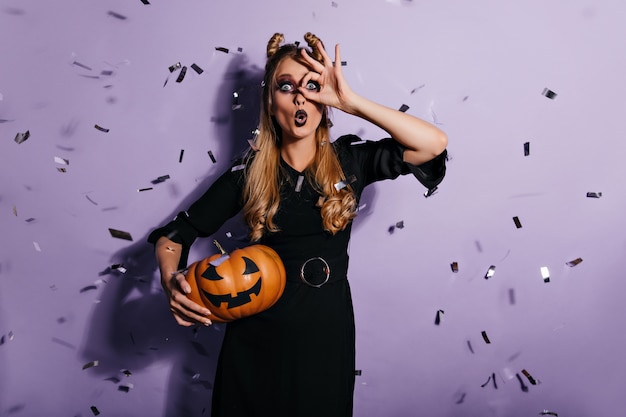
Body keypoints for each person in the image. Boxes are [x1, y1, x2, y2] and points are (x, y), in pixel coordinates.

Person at [148, 32, 448, 417]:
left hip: (324, 342)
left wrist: (351, 102)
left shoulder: (351, 161)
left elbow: (433, 144)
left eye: (312, 85)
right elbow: (174, 237)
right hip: (254, 346)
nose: (300, 97)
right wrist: (170, 279)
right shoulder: (247, 175)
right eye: (286, 87)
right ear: (271, 104)